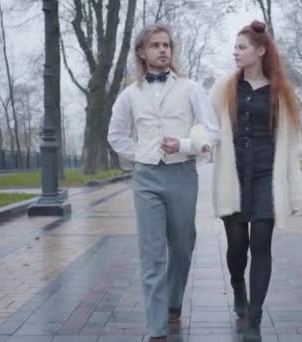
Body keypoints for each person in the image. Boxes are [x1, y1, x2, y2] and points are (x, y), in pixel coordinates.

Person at [108, 23, 219, 342]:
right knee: (152, 252)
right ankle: (157, 328)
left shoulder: (191, 88)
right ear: (142, 53)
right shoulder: (130, 94)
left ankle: (174, 302)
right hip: (146, 178)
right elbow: (115, 135)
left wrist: (185, 145)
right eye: (155, 45)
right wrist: (142, 153)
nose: (162, 50)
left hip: (183, 174)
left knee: (182, 246)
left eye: (166, 45)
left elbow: (213, 131)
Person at [209, 20, 302, 341]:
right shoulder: (225, 88)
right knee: (238, 246)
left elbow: (291, 143)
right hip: (232, 176)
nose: (235, 52)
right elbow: (206, 124)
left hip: (266, 176)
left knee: (261, 244)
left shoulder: (281, 91)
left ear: (260, 51)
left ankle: (255, 316)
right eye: (235, 47)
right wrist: (200, 143)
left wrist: (293, 185)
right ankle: (238, 285)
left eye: (242, 47)